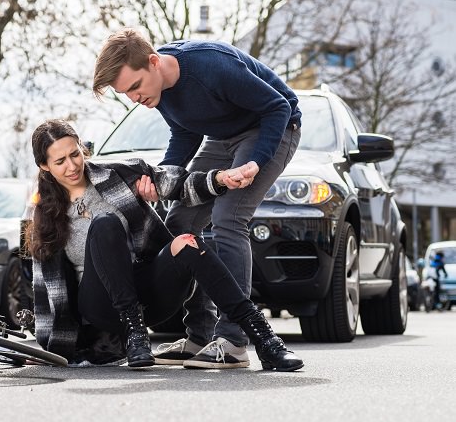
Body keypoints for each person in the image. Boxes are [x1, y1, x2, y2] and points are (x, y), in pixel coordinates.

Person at [92, 28, 302, 369]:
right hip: (222, 139)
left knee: (229, 217)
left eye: (135, 86)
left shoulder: (211, 65)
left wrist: (255, 161)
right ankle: (200, 335)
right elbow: (185, 131)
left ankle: (233, 340)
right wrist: (162, 178)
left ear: (154, 62)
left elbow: (277, 107)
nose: (134, 98)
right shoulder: (158, 90)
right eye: (125, 93)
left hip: (272, 129)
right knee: (179, 223)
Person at [27, 119, 303, 371]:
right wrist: (51, 348)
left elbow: (177, 184)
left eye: (75, 154)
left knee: (186, 242)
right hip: (101, 308)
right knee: (105, 223)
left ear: (82, 150)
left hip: (150, 293)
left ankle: (265, 338)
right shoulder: (43, 214)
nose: (72, 166)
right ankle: (135, 333)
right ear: (44, 166)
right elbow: (45, 288)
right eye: (60, 161)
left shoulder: (119, 174)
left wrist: (219, 179)